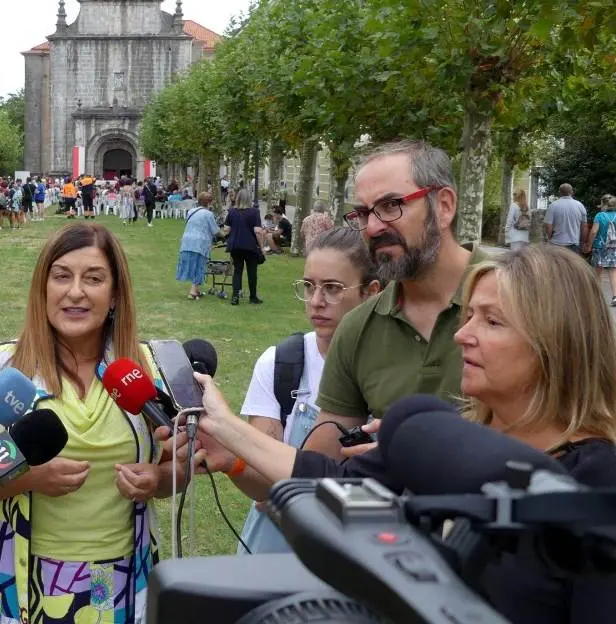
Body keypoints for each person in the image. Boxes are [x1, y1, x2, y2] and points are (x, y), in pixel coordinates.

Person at [190, 244, 616, 624]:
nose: (463, 336)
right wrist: (224, 428)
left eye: (492, 322)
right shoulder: (442, 435)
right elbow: (331, 482)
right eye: (467, 316)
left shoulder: (596, 479)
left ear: (555, 342)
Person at [0, 223, 190, 624]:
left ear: (115, 294)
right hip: (27, 578)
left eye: (94, 278)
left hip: (115, 576)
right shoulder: (0, 369)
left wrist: (159, 477)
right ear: (43, 289)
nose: (76, 291)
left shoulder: (148, 370)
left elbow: (181, 471)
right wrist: (30, 479)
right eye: (62, 276)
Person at [306, 140, 486, 460]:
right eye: (363, 213)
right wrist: (234, 452)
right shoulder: (358, 328)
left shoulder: (525, 297)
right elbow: (316, 467)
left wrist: (417, 453)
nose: (373, 227)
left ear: (443, 206)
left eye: (391, 205)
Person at [235, 227, 380, 554]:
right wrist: (232, 458)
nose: (316, 302)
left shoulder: (389, 379)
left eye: (332, 288)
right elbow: (263, 484)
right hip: (274, 549)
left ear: (371, 293)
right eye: (309, 286)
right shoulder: (281, 364)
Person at [176, 191, 220, 300]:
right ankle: (192, 292)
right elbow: (215, 231)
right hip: (200, 242)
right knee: (199, 265)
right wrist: (225, 234)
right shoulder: (208, 214)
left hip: (187, 240)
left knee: (192, 265)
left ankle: (197, 290)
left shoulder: (191, 211)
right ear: (209, 203)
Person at [223, 195, 265, 306]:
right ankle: (253, 297)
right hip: (250, 246)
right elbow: (257, 231)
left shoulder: (232, 211)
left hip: (235, 245)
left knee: (237, 271)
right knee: (252, 271)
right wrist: (261, 247)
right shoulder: (254, 212)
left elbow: (226, 229)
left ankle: (235, 297)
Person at [544, 183, 588, 255]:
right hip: (574, 244)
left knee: (557, 265)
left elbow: (548, 225)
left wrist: (548, 239)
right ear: (572, 192)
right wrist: (583, 242)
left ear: (559, 192)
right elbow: (584, 226)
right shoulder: (580, 205)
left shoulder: (553, 205)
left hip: (557, 243)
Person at [589, 194, 616, 305]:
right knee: (613, 271)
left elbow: (594, 232)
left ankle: (596, 297)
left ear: (603, 204)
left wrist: (589, 245)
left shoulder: (599, 216)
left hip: (600, 246)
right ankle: (615, 297)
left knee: (597, 271)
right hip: (614, 247)